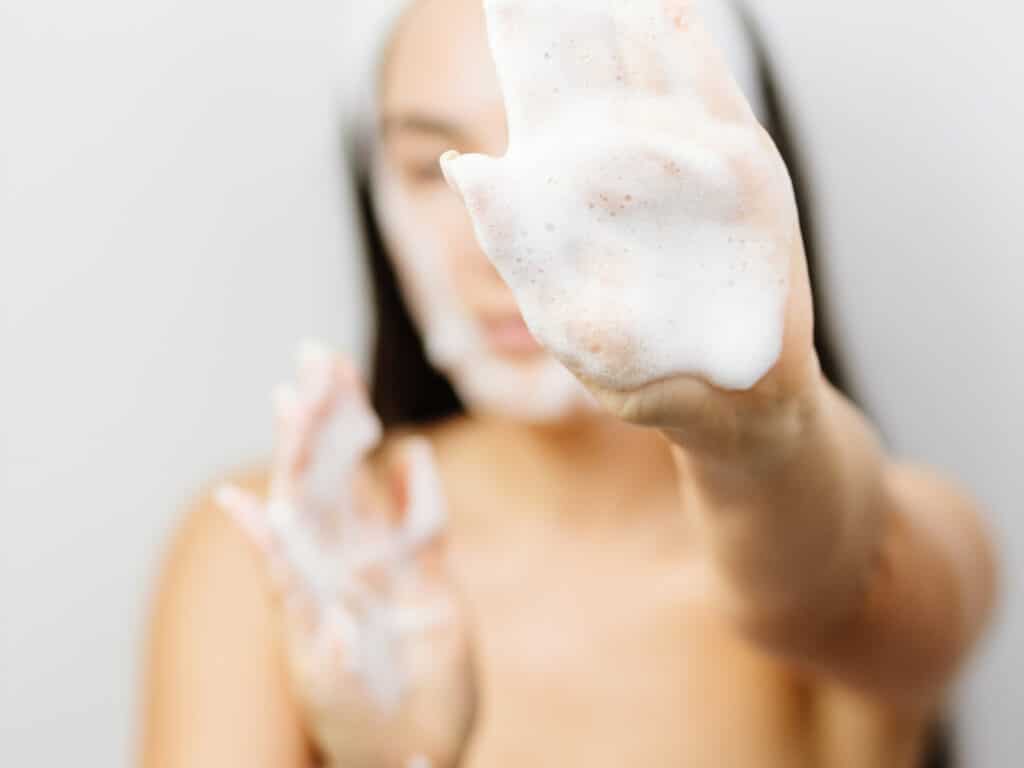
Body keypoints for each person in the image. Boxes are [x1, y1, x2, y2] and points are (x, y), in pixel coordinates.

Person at [140, 1, 998, 767]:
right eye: (431, 166)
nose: (500, 239)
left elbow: (822, 586)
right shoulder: (287, 562)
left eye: (573, 159)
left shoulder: (888, 547)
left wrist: (760, 423)